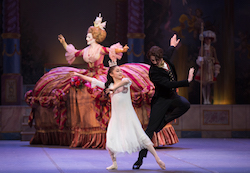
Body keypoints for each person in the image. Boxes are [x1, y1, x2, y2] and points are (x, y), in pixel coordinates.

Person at [72, 62, 166, 170]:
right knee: (110, 140)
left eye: (120, 71)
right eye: (117, 71)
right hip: (116, 118)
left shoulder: (125, 82)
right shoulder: (109, 86)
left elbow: (123, 82)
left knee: (143, 138)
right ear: (111, 74)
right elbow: (93, 81)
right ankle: (114, 163)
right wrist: (79, 75)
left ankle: (158, 159)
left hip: (129, 117)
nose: (120, 72)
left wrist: (112, 89)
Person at [133, 34, 195, 169]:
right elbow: (167, 84)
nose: (153, 62)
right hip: (161, 100)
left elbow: (169, 52)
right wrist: (187, 81)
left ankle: (164, 121)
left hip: (171, 96)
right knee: (150, 130)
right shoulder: (154, 72)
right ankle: (139, 159)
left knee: (185, 104)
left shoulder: (165, 60)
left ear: (160, 58)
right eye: (152, 60)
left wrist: (172, 45)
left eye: (155, 60)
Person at [195, 30, 220, 104]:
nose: (208, 41)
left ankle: (207, 99)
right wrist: (201, 61)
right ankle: (204, 99)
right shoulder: (202, 48)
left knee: (209, 84)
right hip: (204, 67)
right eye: (206, 39)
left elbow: (215, 58)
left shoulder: (212, 49)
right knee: (203, 84)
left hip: (210, 67)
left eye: (209, 39)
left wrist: (216, 69)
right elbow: (200, 57)